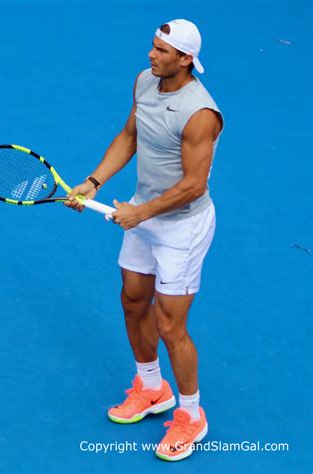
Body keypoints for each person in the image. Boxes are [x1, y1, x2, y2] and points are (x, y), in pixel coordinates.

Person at [66, 19, 223, 461]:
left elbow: (194, 185)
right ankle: (152, 387)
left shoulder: (200, 114)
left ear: (186, 60)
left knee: (171, 325)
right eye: (152, 47)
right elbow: (130, 136)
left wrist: (140, 213)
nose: (151, 56)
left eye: (161, 51)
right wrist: (94, 182)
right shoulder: (145, 81)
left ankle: (192, 416)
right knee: (134, 300)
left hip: (182, 226)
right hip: (143, 211)